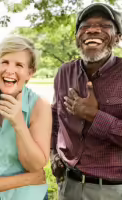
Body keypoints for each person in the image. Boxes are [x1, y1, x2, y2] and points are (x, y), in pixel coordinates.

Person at [51, 3, 122, 200]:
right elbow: (55, 119)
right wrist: (53, 155)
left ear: (118, 38)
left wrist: (94, 116)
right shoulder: (65, 72)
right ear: (77, 38)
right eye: (85, 26)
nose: (92, 29)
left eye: (104, 25)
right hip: (68, 186)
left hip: (112, 190)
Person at [0, 35, 52, 200]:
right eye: (4, 62)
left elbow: (35, 166)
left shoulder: (40, 106)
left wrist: (18, 124)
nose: (9, 70)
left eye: (19, 65)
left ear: (30, 73)